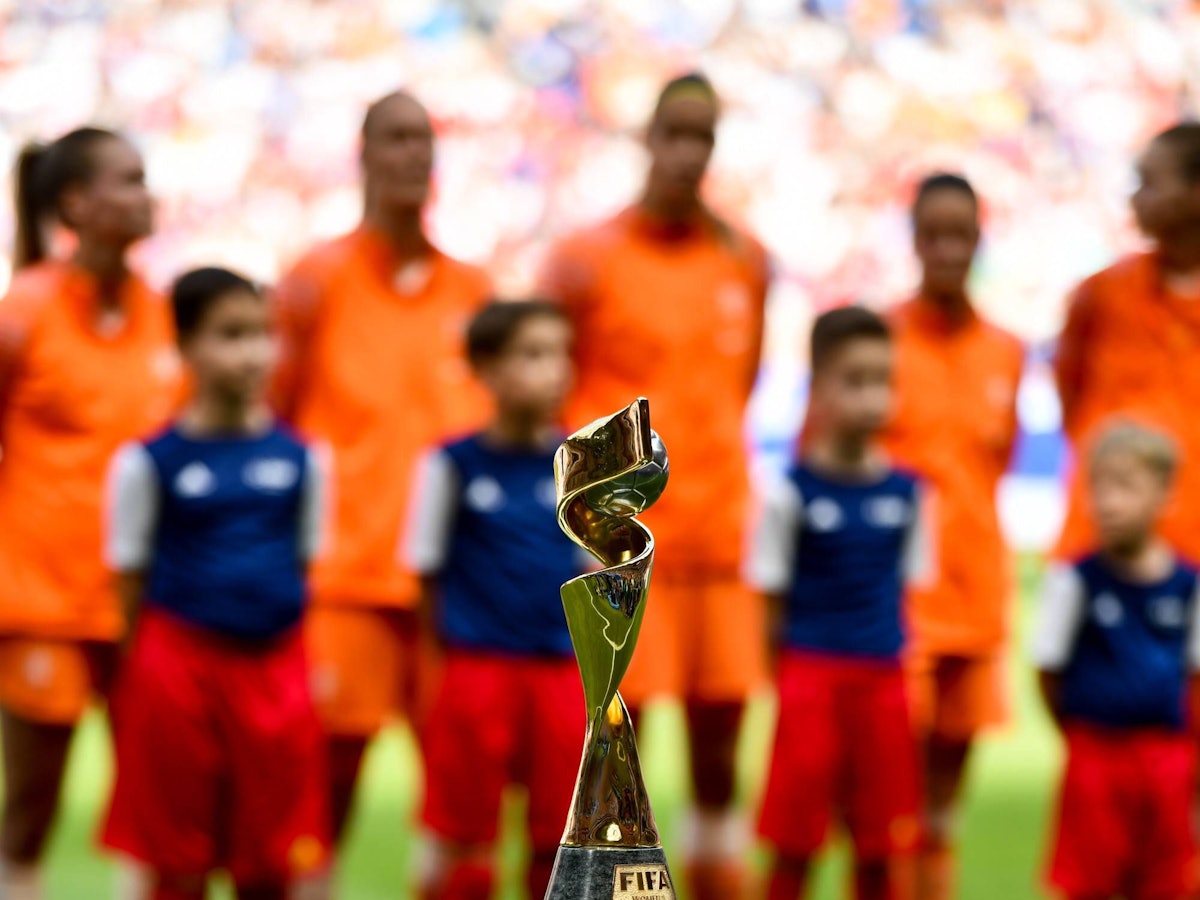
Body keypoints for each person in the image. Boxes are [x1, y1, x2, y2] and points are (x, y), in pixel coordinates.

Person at [538, 72, 769, 898]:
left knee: (720, 750)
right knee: (614, 749)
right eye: (672, 133)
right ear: (647, 138)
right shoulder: (584, 260)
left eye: (701, 136)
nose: (685, 152)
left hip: (721, 537)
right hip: (625, 554)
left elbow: (740, 384)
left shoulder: (746, 259)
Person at [270, 90, 492, 842]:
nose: (413, 154)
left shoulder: (473, 291)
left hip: (454, 582)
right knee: (325, 781)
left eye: (424, 139)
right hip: (347, 576)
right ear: (362, 155)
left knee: (462, 789)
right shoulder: (314, 281)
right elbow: (275, 418)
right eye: (395, 138)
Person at [102, 268, 330, 900]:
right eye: (230, 335)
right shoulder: (147, 462)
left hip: (275, 670)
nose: (253, 353)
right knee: (176, 859)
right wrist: (150, 670)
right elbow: (129, 579)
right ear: (184, 347)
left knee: (272, 856)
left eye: (262, 334)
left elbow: (303, 567)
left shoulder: (305, 458)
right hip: (178, 667)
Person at [0, 127, 180, 899]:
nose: (148, 195)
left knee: (157, 804)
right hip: (45, 597)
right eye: (129, 180)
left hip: (145, 600)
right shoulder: (26, 310)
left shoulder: (165, 312)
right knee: (32, 804)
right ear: (77, 202)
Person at [405, 300, 583, 900]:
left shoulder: (583, 468)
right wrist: (442, 671)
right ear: (484, 369)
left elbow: (597, 577)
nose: (555, 370)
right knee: (465, 842)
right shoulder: (450, 465)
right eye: (534, 355)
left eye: (561, 354)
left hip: (558, 671)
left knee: (558, 841)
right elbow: (426, 574)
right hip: (477, 671)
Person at [880, 173, 1024, 899]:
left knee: (945, 800)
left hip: (977, 592)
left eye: (959, 233)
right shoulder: (879, 342)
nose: (946, 248)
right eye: (932, 232)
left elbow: (999, 462)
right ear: (913, 240)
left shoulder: (1006, 350)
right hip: (900, 603)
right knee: (891, 794)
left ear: (978, 239)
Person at [750, 307, 924, 900]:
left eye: (883, 380)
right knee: (794, 841)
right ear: (818, 387)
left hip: (882, 680)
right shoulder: (789, 493)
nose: (873, 397)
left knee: (880, 846)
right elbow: (769, 601)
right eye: (856, 380)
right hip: (811, 678)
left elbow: (906, 592)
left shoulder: (910, 493)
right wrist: (791, 679)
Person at [1032, 422, 1198, 900]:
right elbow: (1047, 672)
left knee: (1167, 882)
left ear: (1166, 495)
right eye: (1097, 485)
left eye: (1124, 486)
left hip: (1167, 759)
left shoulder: (1188, 586)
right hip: (1095, 756)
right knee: (1088, 882)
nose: (1106, 502)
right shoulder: (1074, 580)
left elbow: (1194, 679)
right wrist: (1082, 733)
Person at [1056, 123, 1200, 566]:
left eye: (1150, 183)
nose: (1135, 198)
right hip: (1100, 544)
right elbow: (1070, 394)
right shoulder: (1101, 295)